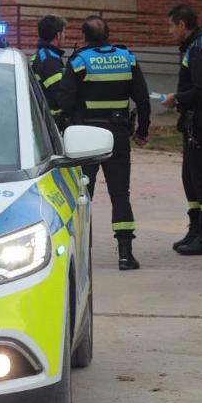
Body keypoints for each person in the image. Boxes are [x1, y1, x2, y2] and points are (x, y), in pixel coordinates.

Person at [60, 16, 151, 270]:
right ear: (108, 35)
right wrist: (142, 130)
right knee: (120, 194)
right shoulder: (127, 58)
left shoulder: (79, 62)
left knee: (83, 195)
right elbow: (142, 99)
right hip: (118, 134)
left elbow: (65, 101)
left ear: (85, 36)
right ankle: (125, 254)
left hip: (86, 137)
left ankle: (81, 254)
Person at [162, 4, 202, 256]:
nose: (169, 32)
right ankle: (197, 229)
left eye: (170, 26)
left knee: (200, 176)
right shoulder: (201, 44)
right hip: (198, 120)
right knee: (190, 175)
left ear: (181, 25)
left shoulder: (197, 50)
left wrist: (176, 98)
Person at [30, 15, 69, 128]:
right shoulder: (49, 59)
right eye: (64, 33)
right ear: (58, 35)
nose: (65, 36)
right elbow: (60, 94)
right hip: (52, 122)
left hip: (45, 119)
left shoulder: (42, 55)